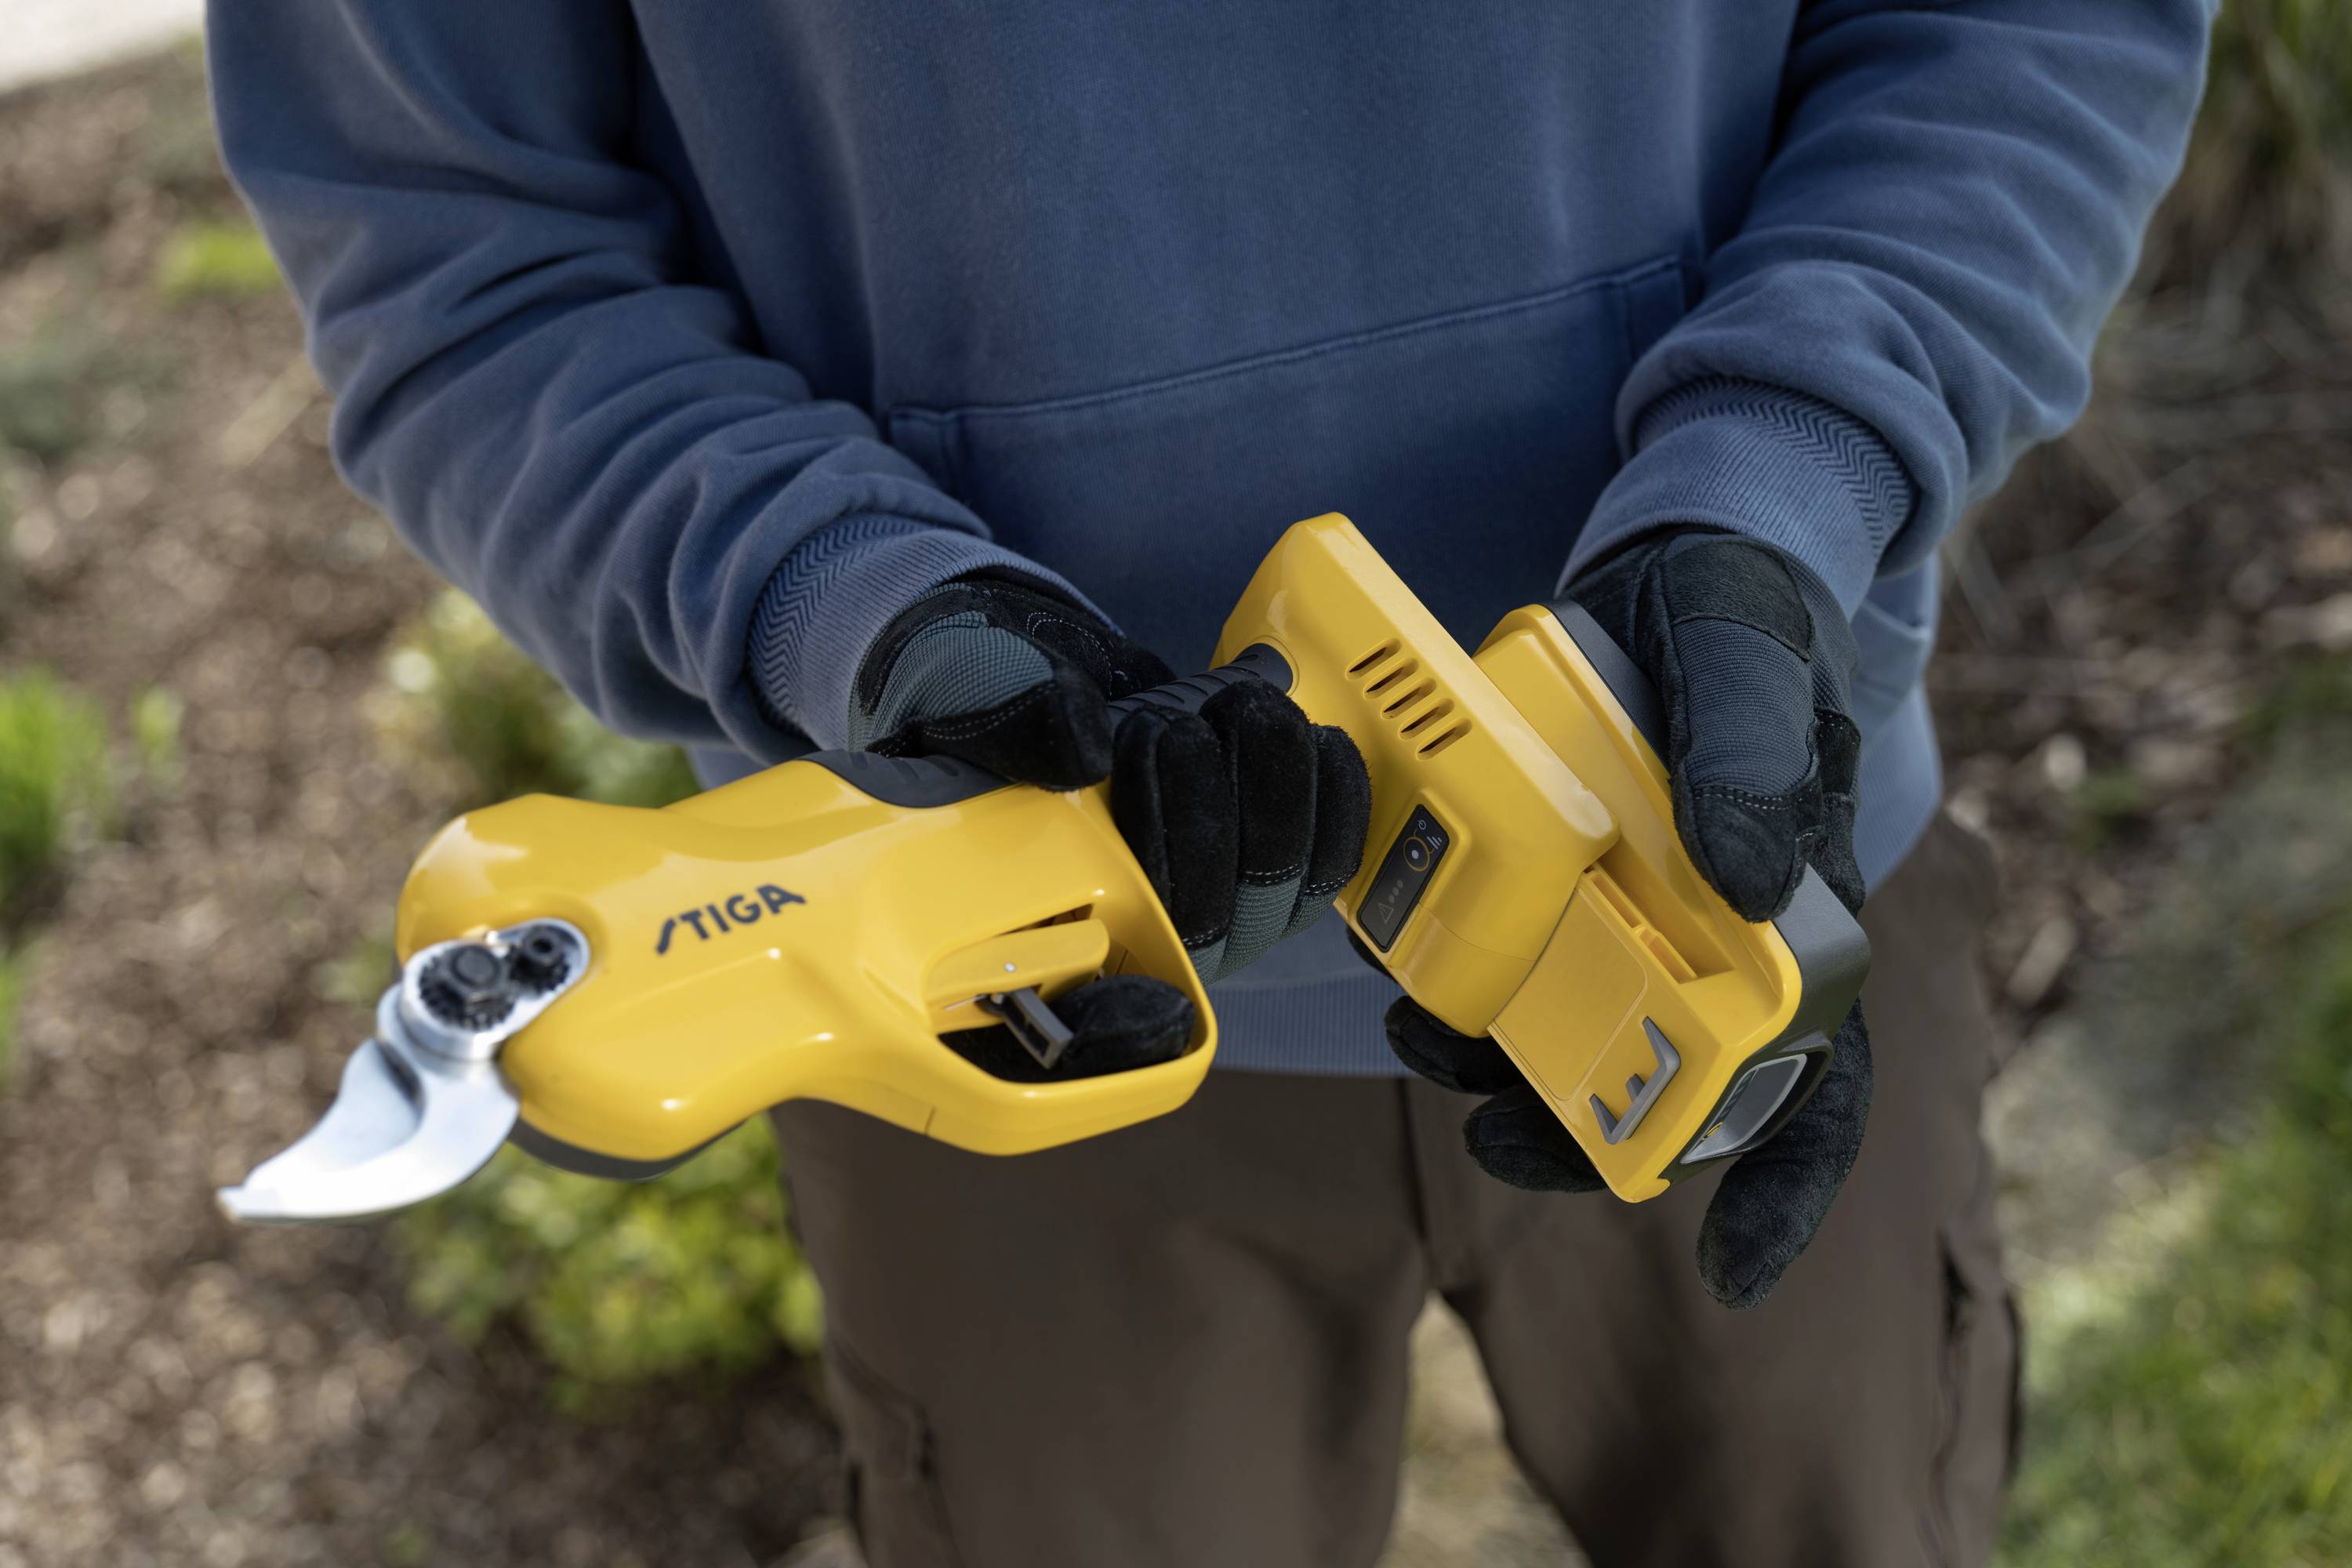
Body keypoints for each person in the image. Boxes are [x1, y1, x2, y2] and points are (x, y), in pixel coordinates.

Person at [209, 4, 2212, 1563]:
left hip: (1709, 859)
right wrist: (855, 604)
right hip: (1005, 1002)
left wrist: (1785, 485)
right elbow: (459, 241)